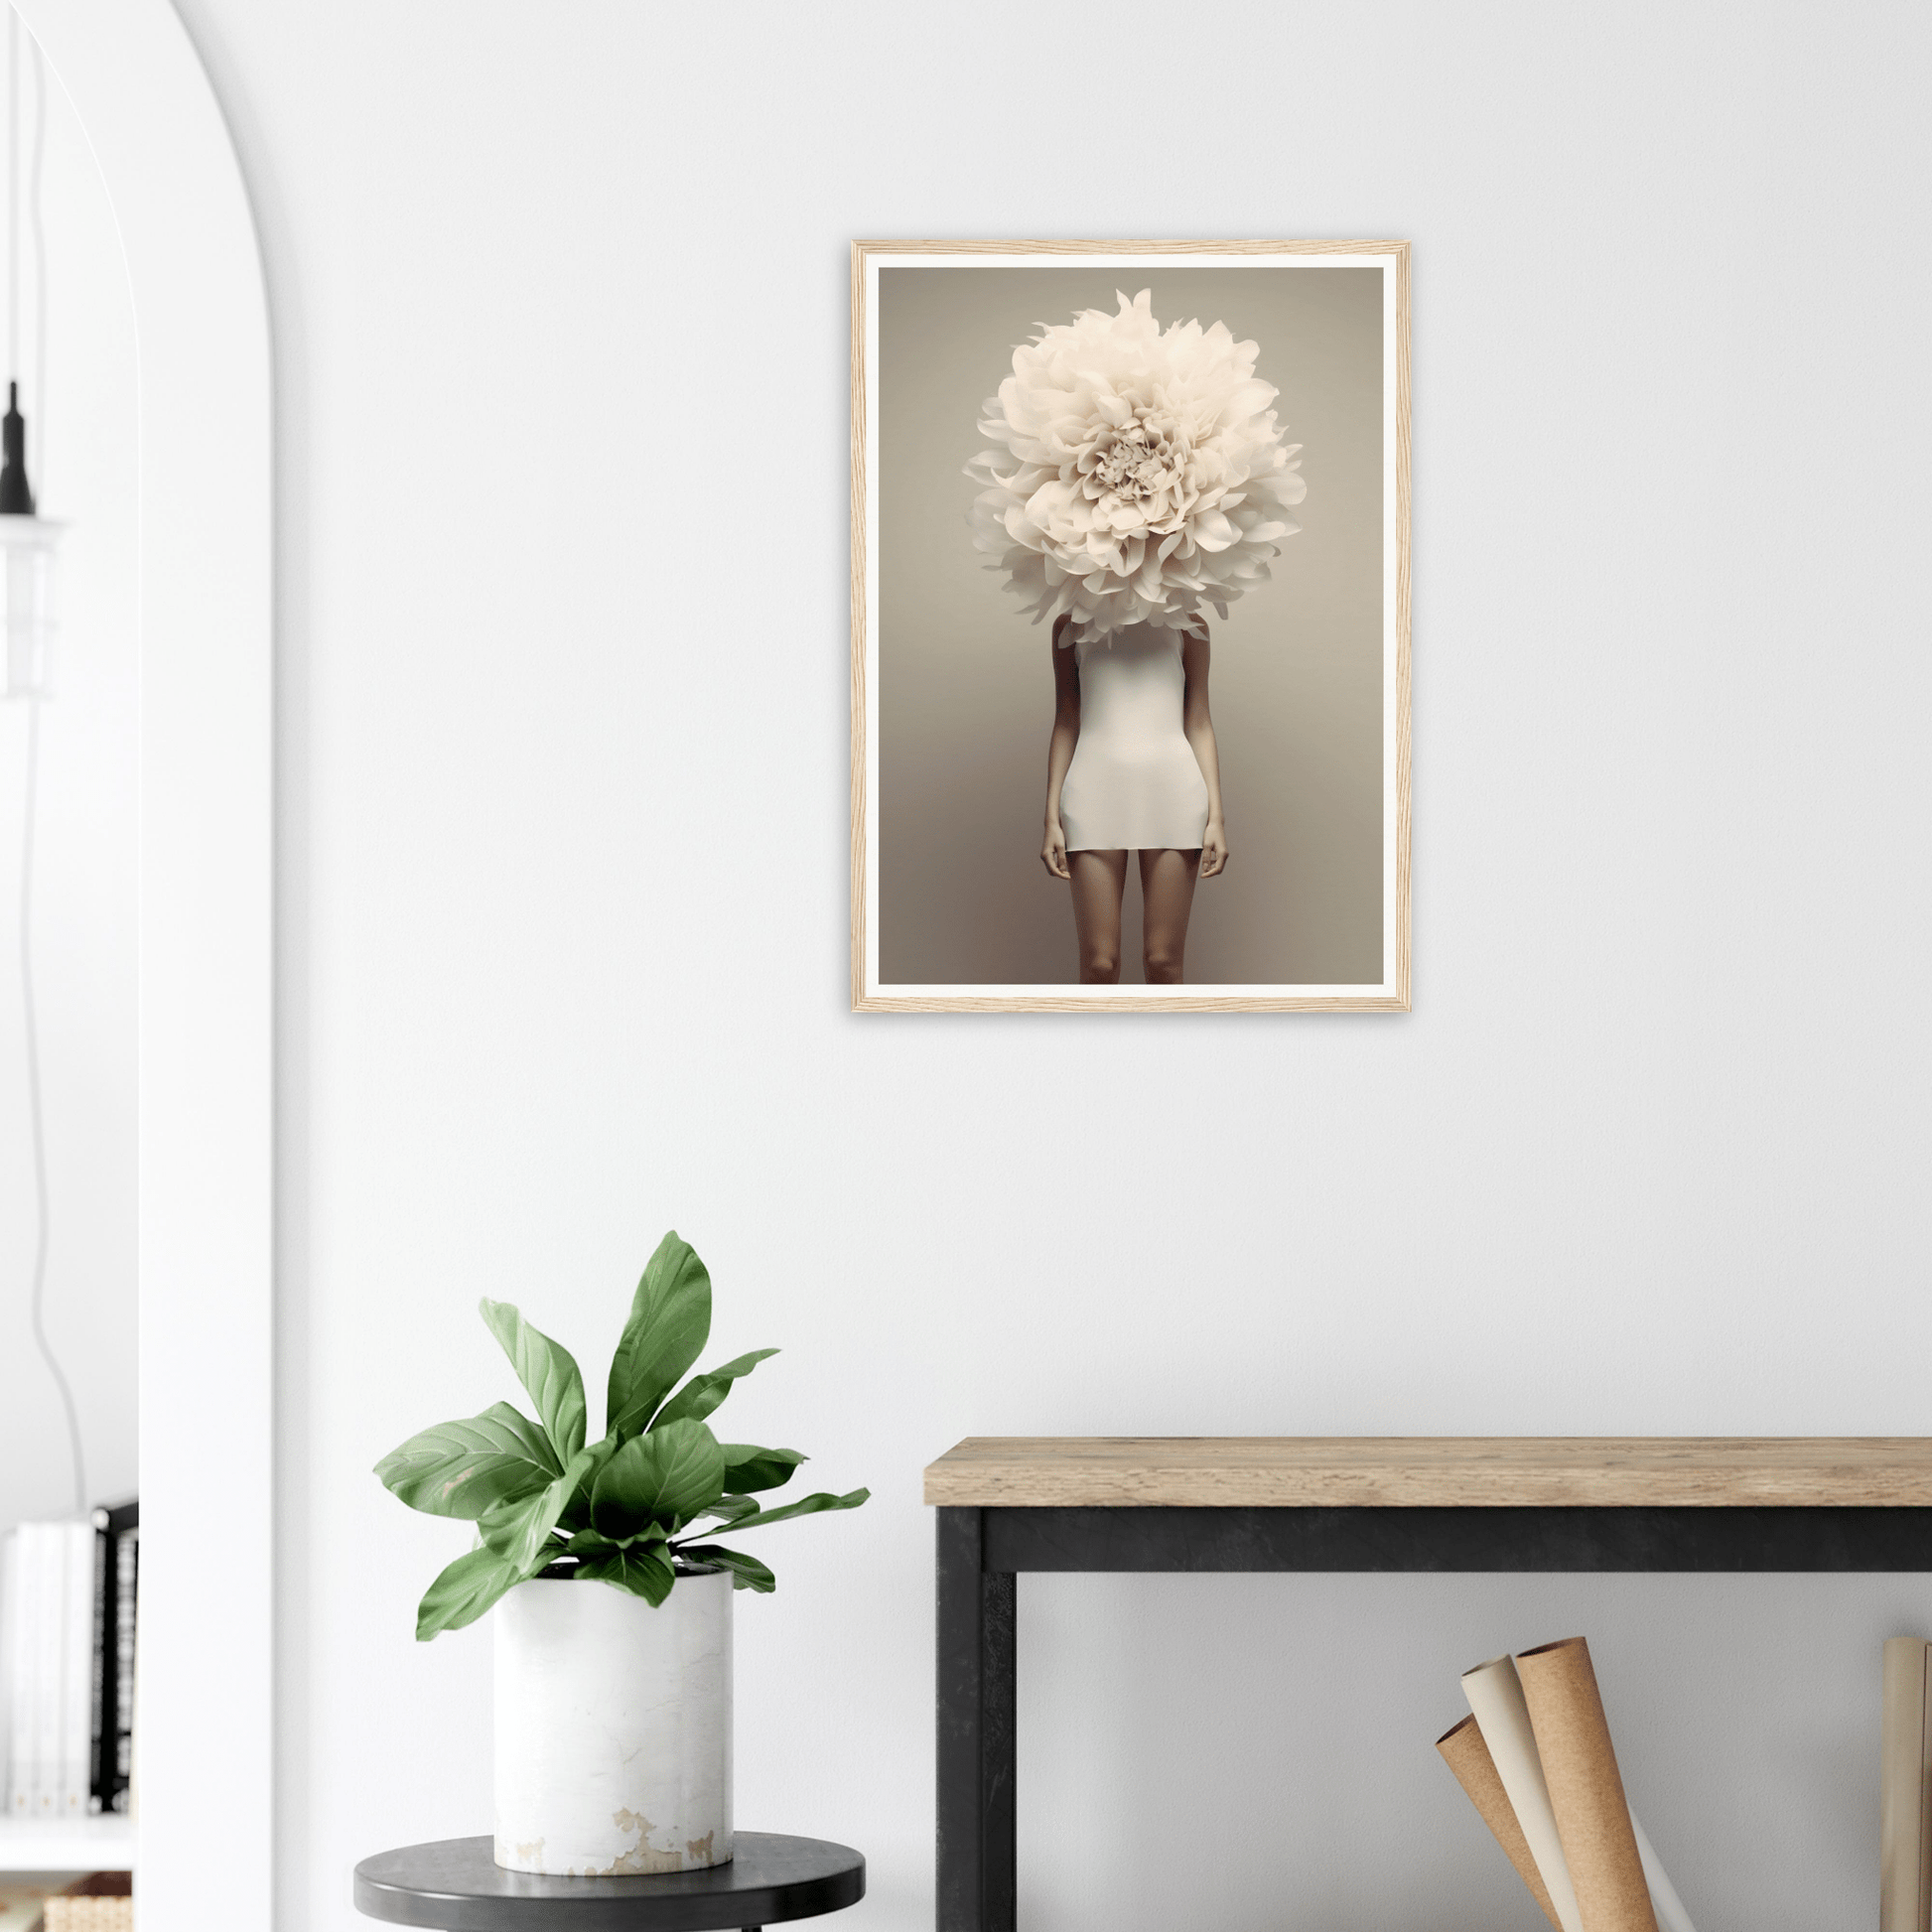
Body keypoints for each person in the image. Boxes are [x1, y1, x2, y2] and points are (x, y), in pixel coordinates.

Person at [1039, 610, 1227, 985]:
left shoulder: (1190, 624)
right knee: (1099, 963)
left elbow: (1200, 720)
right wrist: (1050, 819)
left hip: (1174, 791)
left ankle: (1163, 1045)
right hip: (1092, 791)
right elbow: (1066, 718)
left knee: (1163, 961)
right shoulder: (1070, 625)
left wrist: (1216, 819)